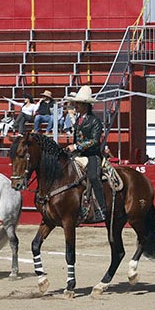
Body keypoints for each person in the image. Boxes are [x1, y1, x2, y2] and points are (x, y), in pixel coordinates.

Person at [65, 85, 107, 222]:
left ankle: (102, 208)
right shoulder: (79, 120)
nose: (75, 105)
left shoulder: (95, 121)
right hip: (78, 154)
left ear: (85, 105)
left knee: (94, 177)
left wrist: (76, 146)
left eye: (78, 103)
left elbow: (94, 141)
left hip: (92, 155)